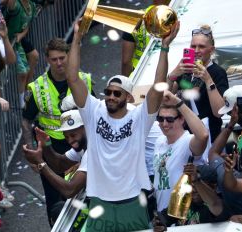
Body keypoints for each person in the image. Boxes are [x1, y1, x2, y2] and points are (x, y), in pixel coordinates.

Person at [66, 18, 179, 231]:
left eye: (117, 93)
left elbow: (158, 86)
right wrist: (77, 38)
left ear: (128, 97)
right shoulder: (93, 111)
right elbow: (72, 78)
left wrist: (164, 47)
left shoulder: (139, 118)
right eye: (108, 92)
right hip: (100, 201)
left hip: (132, 202)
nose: (110, 96)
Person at [22, 37, 92, 227]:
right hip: (52, 147)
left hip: (81, 145)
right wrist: (31, 150)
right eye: (54, 59)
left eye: (62, 58)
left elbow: (95, 111)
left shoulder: (83, 79)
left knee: (81, 194)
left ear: (68, 56)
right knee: (54, 199)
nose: (59, 63)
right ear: (47, 59)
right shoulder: (37, 87)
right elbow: (26, 119)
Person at [167, 24, 228, 142]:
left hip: (209, 135)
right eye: (193, 46)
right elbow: (165, 96)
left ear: (211, 49)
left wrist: (208, 80)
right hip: (184, 134)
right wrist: (173, 74)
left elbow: (219, 112)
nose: (196, 51)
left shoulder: (217, 72)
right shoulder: (186, 70)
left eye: (201, 46)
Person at [153, 91, 209, 213]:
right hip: (163, 215)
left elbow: (203, 135)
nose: (164, 124)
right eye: (160, 119)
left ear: (182, 119)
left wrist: (177, 102)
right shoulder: (159, 141)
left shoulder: (187, 142)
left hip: (183, 216)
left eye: (170, 119)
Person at [23, 109, 87, 199]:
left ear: (86, 128)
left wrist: (40, 162)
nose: (70, 141)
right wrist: (46, 145)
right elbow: (59, 165)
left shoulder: (93, 151)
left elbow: (69, 190)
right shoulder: (82, 146)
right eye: (66, 137)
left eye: (73, 135)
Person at [121, 0, 169, 76]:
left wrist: (124, 81)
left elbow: (126, 61)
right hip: (164, 72)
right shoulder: (177, 19)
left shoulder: (135, 17)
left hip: (137, 74)